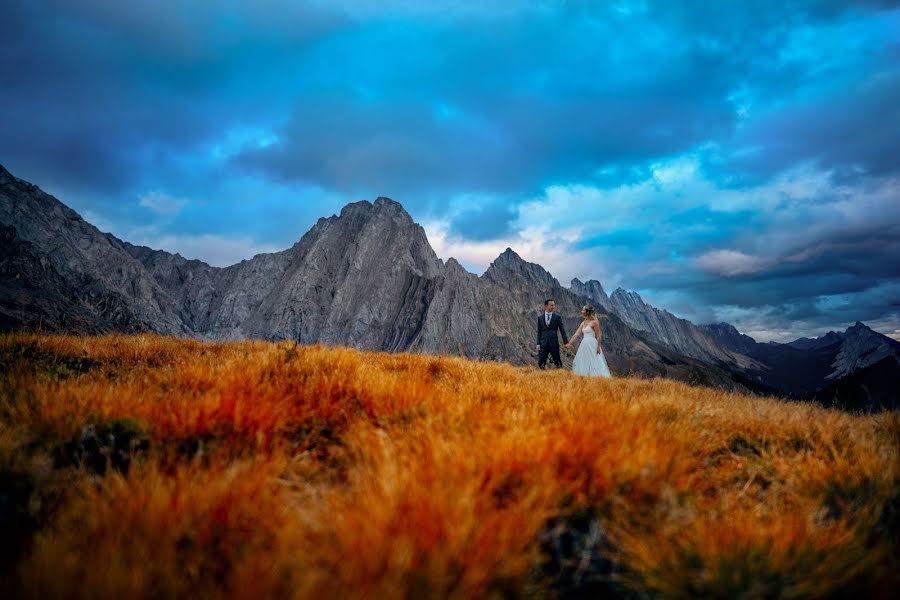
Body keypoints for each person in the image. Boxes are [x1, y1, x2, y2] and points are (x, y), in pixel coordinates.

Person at [565, 304, 612, 378]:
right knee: (584, 360)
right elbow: (577, 333)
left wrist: (598, 346)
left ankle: (597, 378)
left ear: (587, 312)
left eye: (583, 310)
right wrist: (569, 343)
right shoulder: (583, 322)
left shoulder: (594, 322)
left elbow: (598, 335)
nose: (581, 311)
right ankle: (585, 377)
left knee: (594, 360)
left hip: (592, 344)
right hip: (584, 344)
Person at [536, 298, 568, 369]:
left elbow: (562, 330)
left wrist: (566, 342)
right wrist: (538, 344)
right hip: (543, 344)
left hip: (554, 343)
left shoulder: (557, 317)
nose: (554, 307)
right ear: (546, 306)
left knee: (557, 362)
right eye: (552, 305)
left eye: (554, 305)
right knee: (541, 362)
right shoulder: (540, 318)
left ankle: (561, 375)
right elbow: (539, 332)